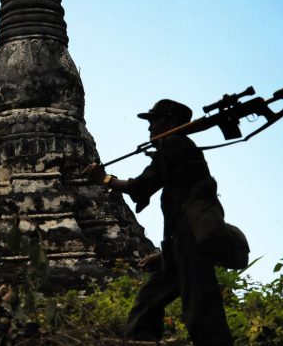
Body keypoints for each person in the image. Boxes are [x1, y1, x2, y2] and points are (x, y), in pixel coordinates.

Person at [84, 99, 234, 345]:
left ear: (171, 121)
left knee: (202, 314)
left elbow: (142, 186)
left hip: (192, 244)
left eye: (154, 120)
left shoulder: (176, 145)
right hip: (180, 246)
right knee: (147, 303)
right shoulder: (173, 148)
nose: (150, 127)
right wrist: (166, 254)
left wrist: (105, 178)